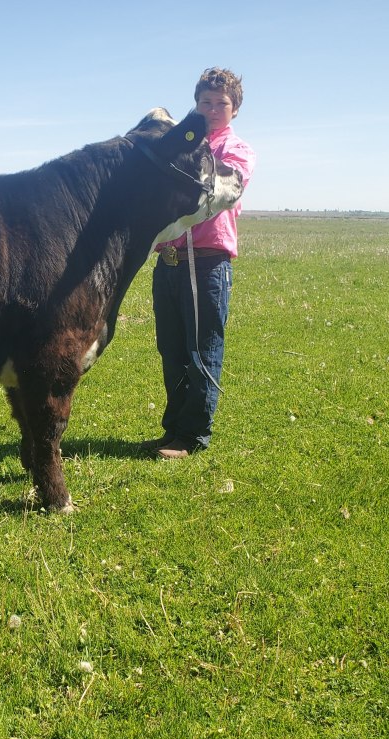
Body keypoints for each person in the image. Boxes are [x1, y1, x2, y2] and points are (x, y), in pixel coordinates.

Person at [144, 67, 256, 459]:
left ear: (234, 109)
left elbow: (218, 189)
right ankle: (173, 429)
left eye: (220, 103)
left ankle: (193, 436)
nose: (211, 110)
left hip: (206, 264)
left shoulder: (236, 150)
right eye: (204, 102)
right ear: (195, 105)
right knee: (171, 350)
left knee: (201, 350)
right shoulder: (182, 145)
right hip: (170, 262)